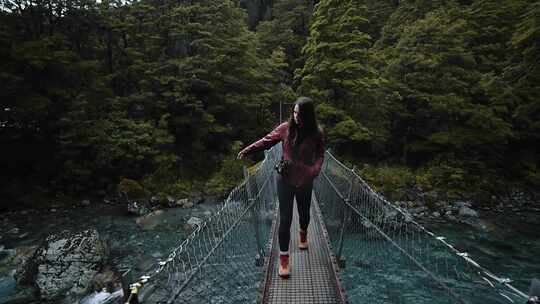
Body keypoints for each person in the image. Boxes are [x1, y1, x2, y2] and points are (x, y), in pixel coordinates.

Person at [237, 96, 325, 279]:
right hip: (285, 179)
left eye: (300, 114)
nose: (296, 117)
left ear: (308, 115)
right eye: (294, 112)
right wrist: (248, 149)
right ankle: (284, 259)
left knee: (304, 213)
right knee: (285, 220)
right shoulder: (285, 128)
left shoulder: (316, 133)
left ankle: (303, 233)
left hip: (306, 180)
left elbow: (320, 155)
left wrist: (314, 170)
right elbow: (266, 141)